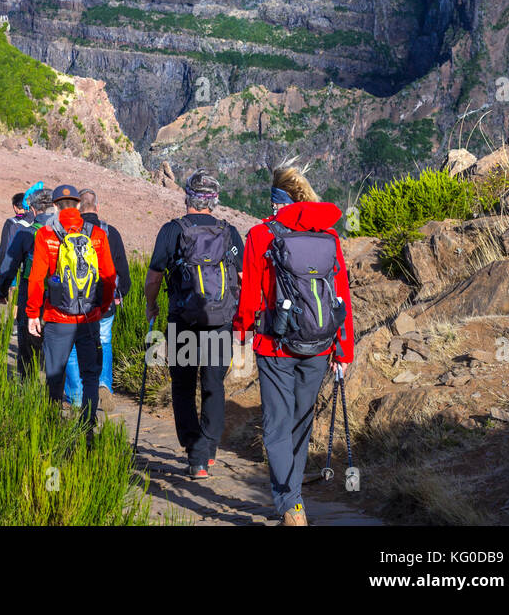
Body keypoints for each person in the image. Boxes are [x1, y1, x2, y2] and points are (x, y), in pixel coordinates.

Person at [235, 166, 354, 527]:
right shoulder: (329, 237)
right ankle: (294, 501)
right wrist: (343, 350)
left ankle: (291, 507)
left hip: (274, 344)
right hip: (319, 345)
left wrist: (241, 336)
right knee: (301, 423)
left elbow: (250, 296)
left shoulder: (260, 235)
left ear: (276, 201)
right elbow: (341, 295)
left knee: (276, 426)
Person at [144, 170, 244, 479]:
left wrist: (152, 304)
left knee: (183, 385)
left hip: (183, 320)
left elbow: (154, 277)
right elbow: (241, 279)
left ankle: (194, 451)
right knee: (214, 385)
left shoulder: (172, 231)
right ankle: (208, 450)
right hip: (219, 321)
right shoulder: (230, 232)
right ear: (214, 200)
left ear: (188, 196)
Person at [25, 184, 118, 439]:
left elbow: (36, 279)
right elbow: (109, 276)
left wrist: (33, 313)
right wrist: (101, 306)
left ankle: (52, 425)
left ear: (55, 206)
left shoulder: (46, 234)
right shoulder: (97, 234)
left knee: (55, 373)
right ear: (77, 205)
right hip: (89, 317)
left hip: (57, 317)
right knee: (90, 374)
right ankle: (87, 425)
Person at [64, 188, 132, 401]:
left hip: (73, 302)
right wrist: (121, 292)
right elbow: (122, 268)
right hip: (104, 299)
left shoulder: (67, 231)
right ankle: (104, 384)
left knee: (73, 345)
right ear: (97, 207)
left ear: (77, 208)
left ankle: (76, 395)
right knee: (103, 339)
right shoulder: (110, 232)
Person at [0, 186, 54, 377]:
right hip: (59, 293)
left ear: (33, 209)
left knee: (27, 338)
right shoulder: (66, 232)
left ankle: (26, 385)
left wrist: (2, 290)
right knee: (54, 340)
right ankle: (54, 391)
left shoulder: (25, 232)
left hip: (30, 290)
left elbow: (9, 266)